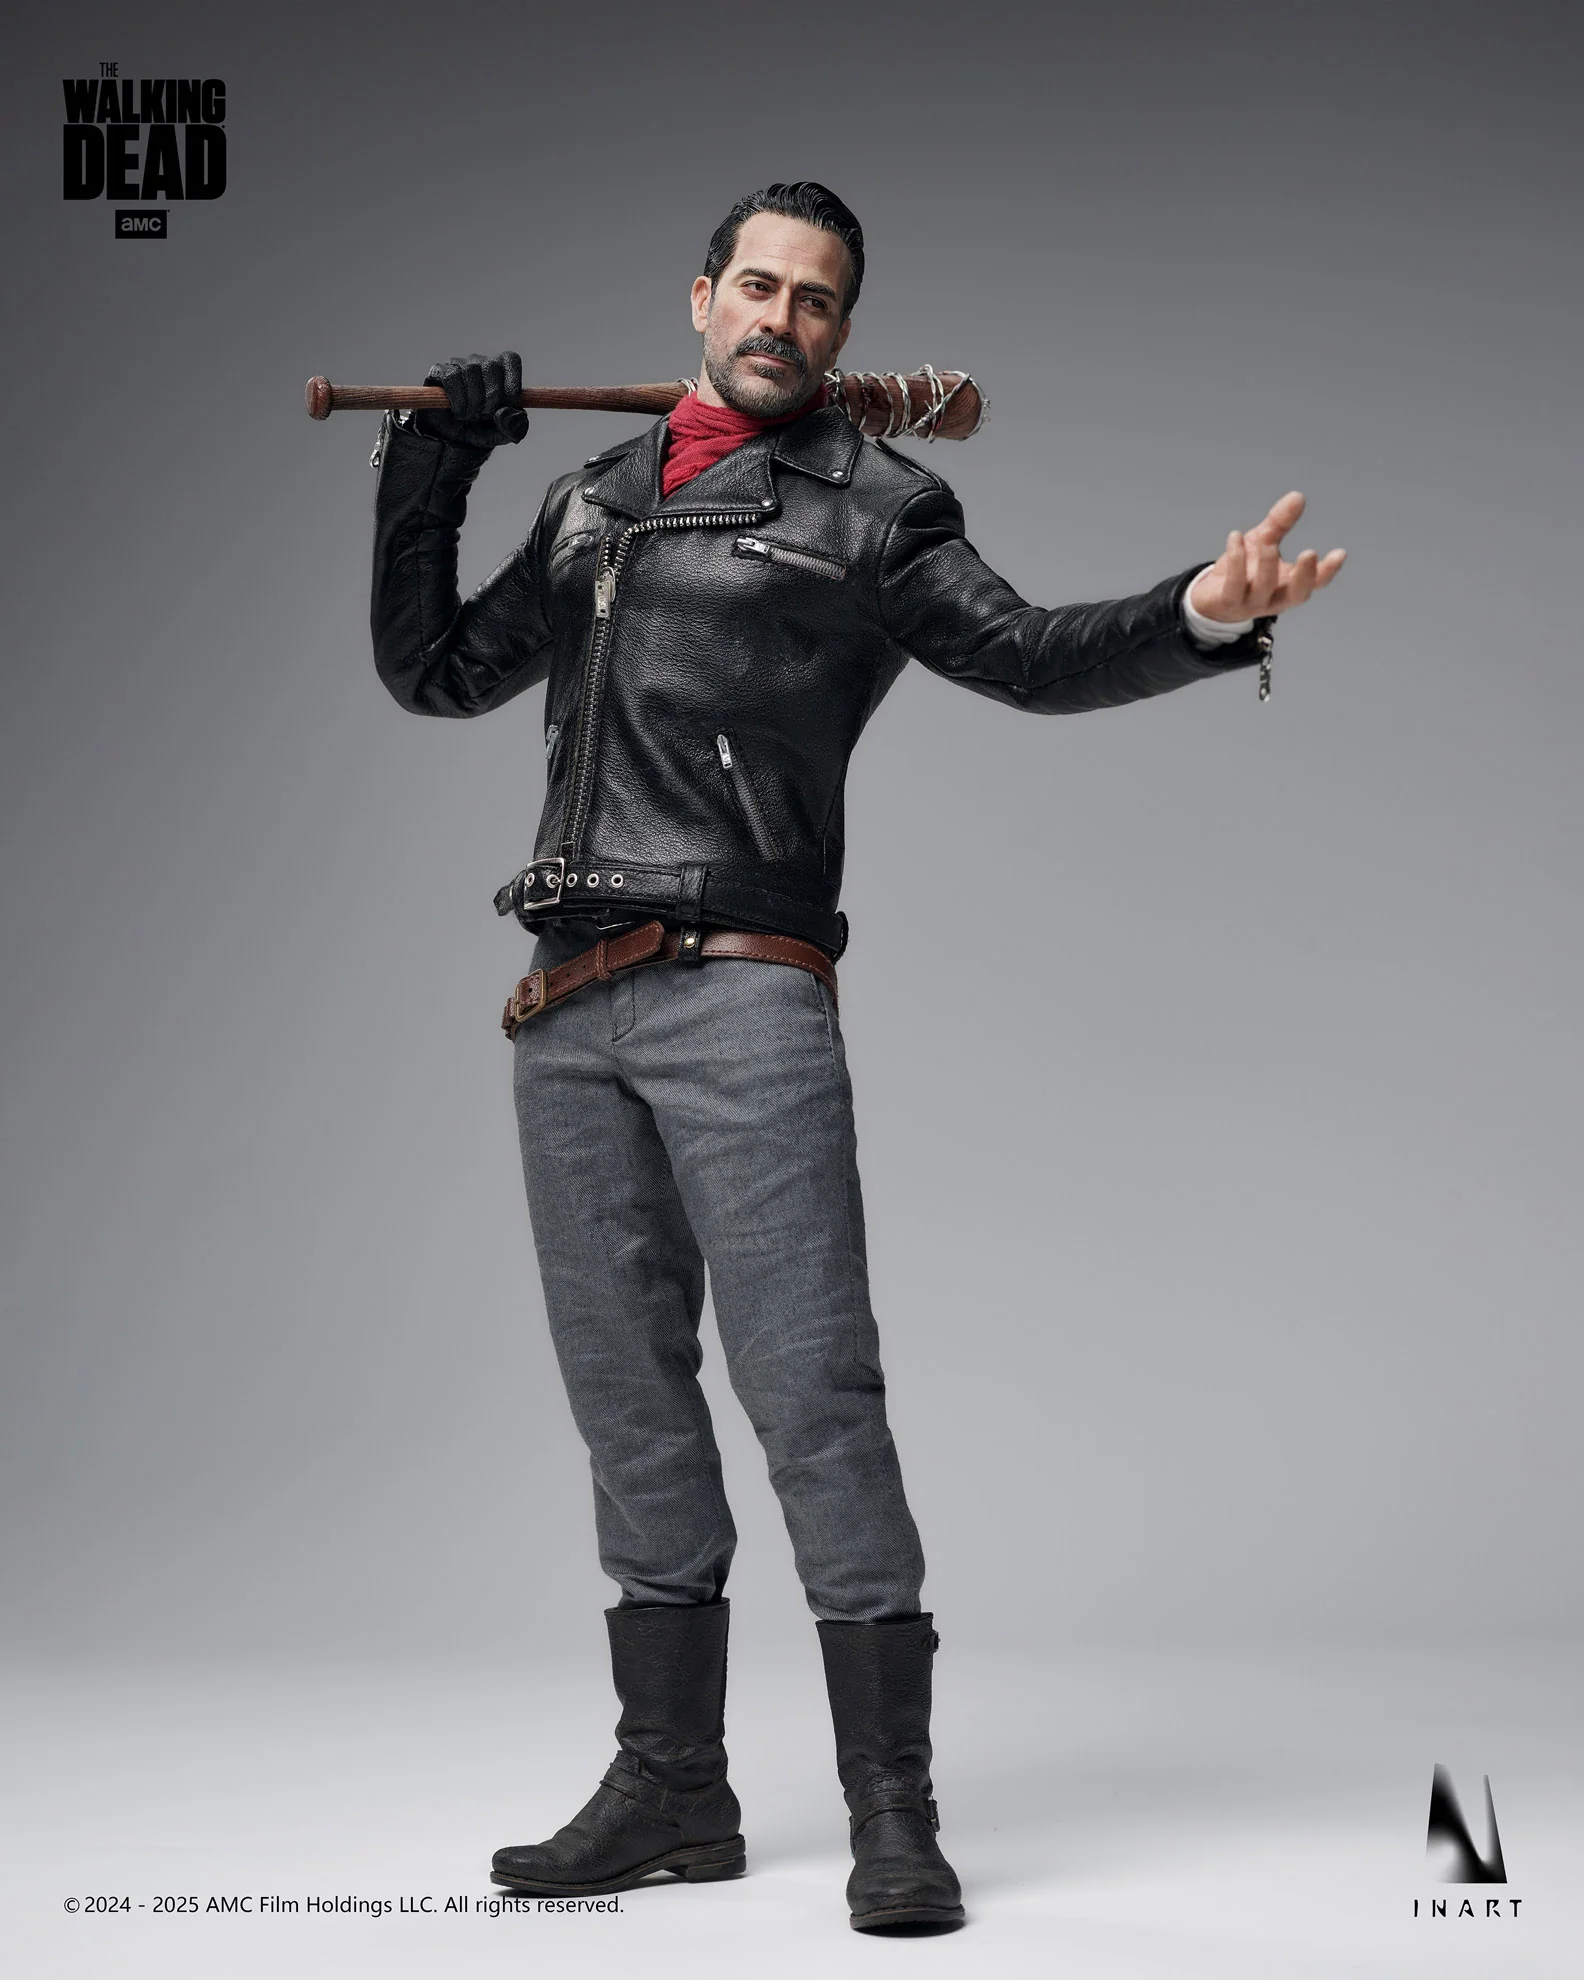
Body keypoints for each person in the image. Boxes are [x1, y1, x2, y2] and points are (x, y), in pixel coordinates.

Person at [367, 181, 1344, 1933]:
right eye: (757, 286)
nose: (782, 319)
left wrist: (1199, 611)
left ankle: (895, 1807)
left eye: (816, 301)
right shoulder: (592, 498)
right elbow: (436, 673)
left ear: (842, 330)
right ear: (701, 298)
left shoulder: (875, 507)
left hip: (743, 987)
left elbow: (1031, 657)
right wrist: (431, 466)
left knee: (814, 1396)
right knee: (627, 1402)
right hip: (562, 1006)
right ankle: (674, 1785)